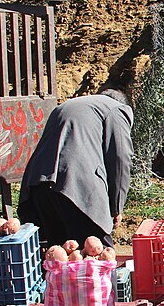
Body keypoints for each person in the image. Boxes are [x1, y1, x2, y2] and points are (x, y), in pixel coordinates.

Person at [18, 86, 134, 247]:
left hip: (37, 185)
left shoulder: (67, 106)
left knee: (61, 257)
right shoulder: (116, 108)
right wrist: (116, 206)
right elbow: (120, 158)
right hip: (75, 187)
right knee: (97, 255)